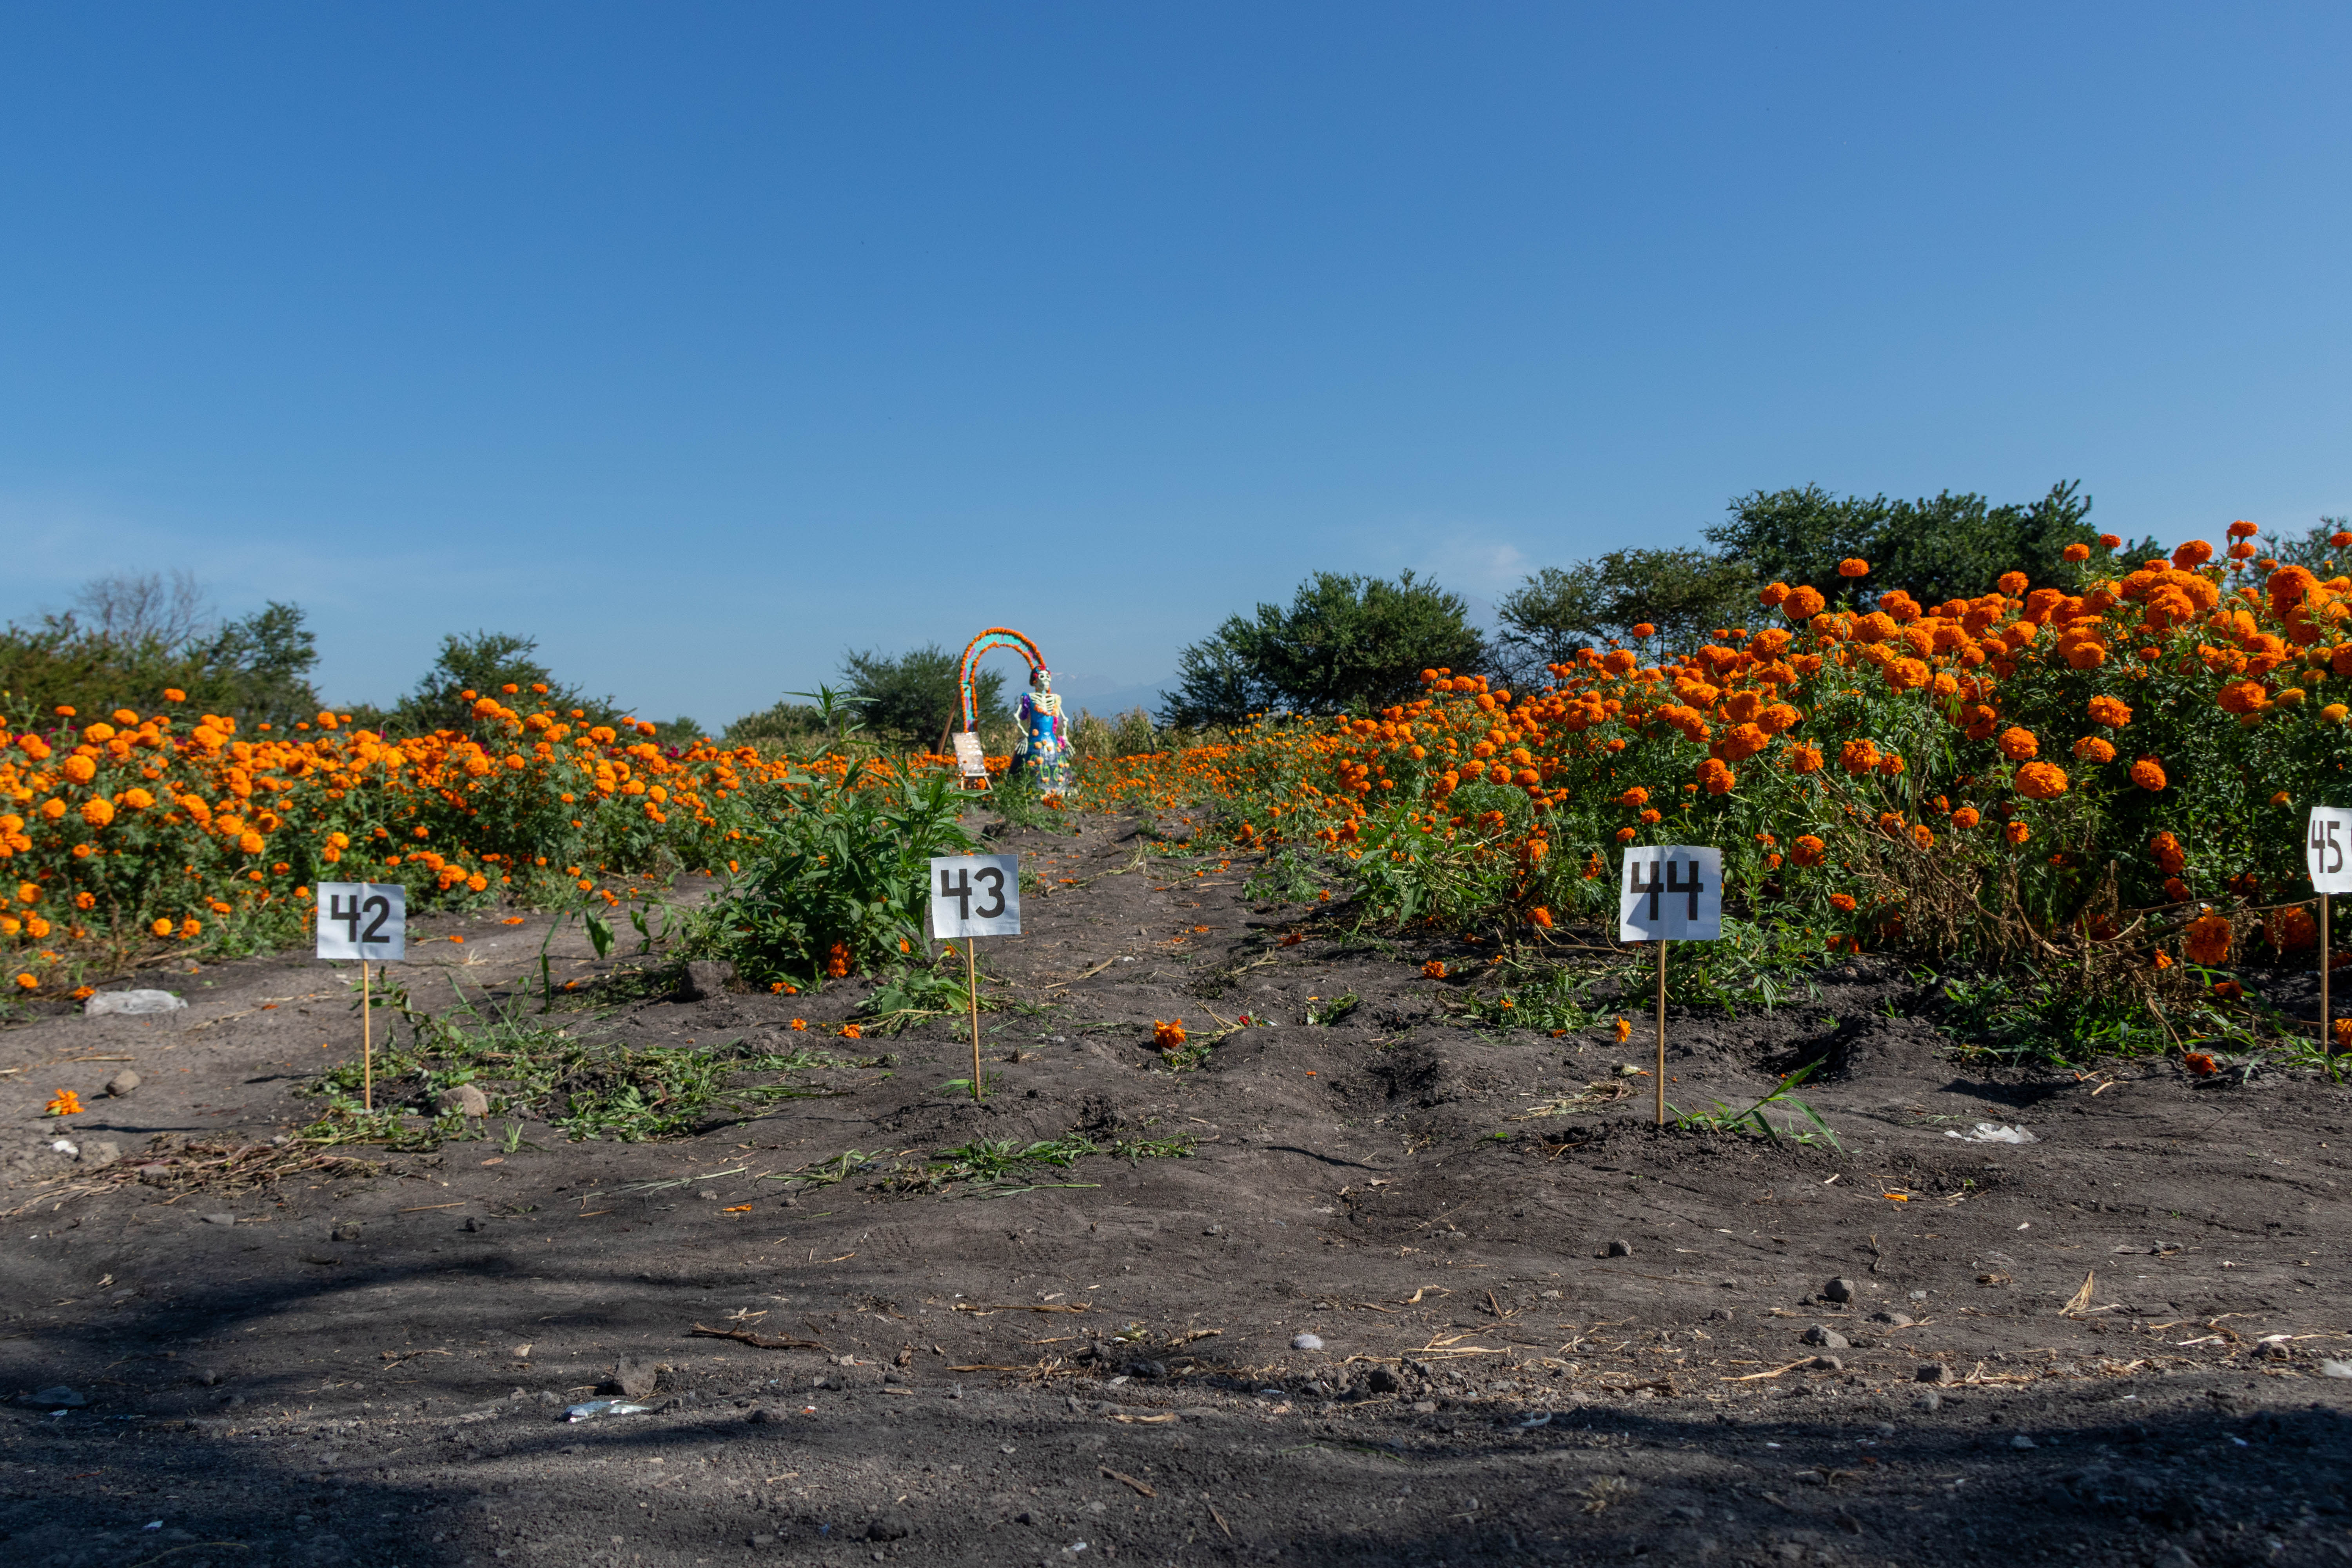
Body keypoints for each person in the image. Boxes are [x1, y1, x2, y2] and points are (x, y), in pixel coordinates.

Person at [1010, 666, 1072, 792]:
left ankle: (1058, 792)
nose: (1046, 680)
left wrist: (1065, 738)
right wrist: (1025, 736)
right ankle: (1024, 791)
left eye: (1047, 676)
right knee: (1027, 768)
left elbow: (1065, 720)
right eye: (1042, 677)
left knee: (1057, 768)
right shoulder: (1028, 698)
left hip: (1052, 743)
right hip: (1033, 741)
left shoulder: (1055, 698)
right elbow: (1017, 717)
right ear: (1035, 681)